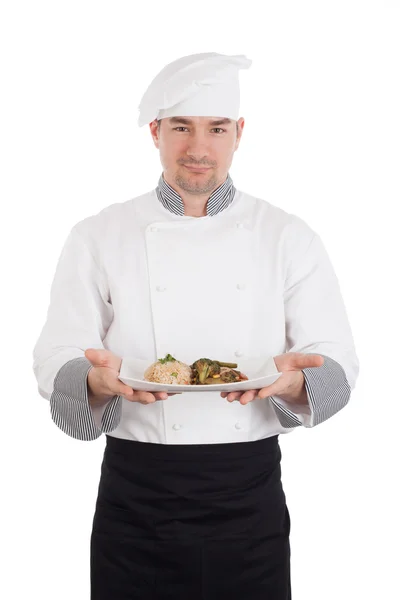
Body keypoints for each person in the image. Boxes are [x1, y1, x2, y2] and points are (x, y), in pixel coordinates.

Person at [32, 51, 359, 599]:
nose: (198, 147)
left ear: (239, 134)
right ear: (156, 133)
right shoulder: (99, 234)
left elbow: (338, 359)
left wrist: (294, 380)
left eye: (217, 128)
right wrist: (94, 379)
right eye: (181, 127)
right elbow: (57, 351)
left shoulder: (287, 235)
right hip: (137, 494)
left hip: (247, 492)